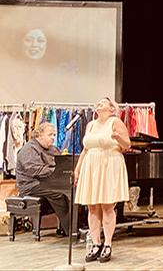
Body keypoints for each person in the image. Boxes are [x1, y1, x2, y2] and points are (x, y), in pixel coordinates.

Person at [74, 97, 130, 263]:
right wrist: (77, 169)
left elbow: (126, 145)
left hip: (109, 164)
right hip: (91, 165)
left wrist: (117, 137)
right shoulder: (91, 124)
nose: (98, 104)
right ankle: (96, 244)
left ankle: (108, 244)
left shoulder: (115, 122)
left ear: (111, 108)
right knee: (92, 206)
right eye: (97, 102)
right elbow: (85, 149)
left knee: (107, 206)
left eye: (103, 102)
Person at [15, 122, 70, 236]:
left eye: (54, 135)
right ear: (39, 135)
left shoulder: (53, 149)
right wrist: (56, 172)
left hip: (48, 182)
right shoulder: (29, 149)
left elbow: (61, 165)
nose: (53, 138)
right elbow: (36, 171)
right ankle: (70, 230)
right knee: (58, 194)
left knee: (72, 191)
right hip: (31, 185)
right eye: (50, 135)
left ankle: (77, 225)